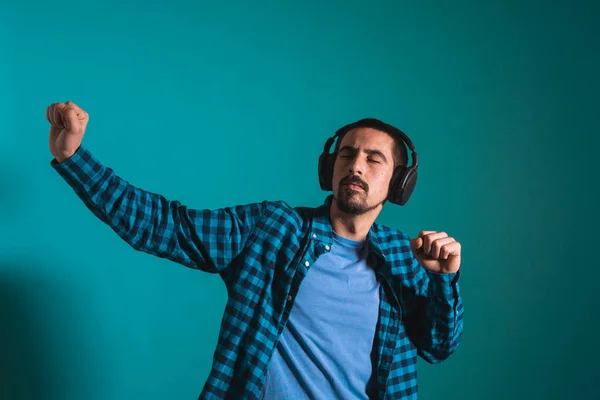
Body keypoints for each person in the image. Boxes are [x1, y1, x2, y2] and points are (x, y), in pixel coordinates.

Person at [46, 101, 464, 400]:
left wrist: (444, 281)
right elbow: (163, 225)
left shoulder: (403, 256)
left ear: (399, 184)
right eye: (348, 154)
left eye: (374, 160)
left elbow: (437, 346)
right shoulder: (273, 228)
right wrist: (72, 157)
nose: (355, 165)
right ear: (329, 167)